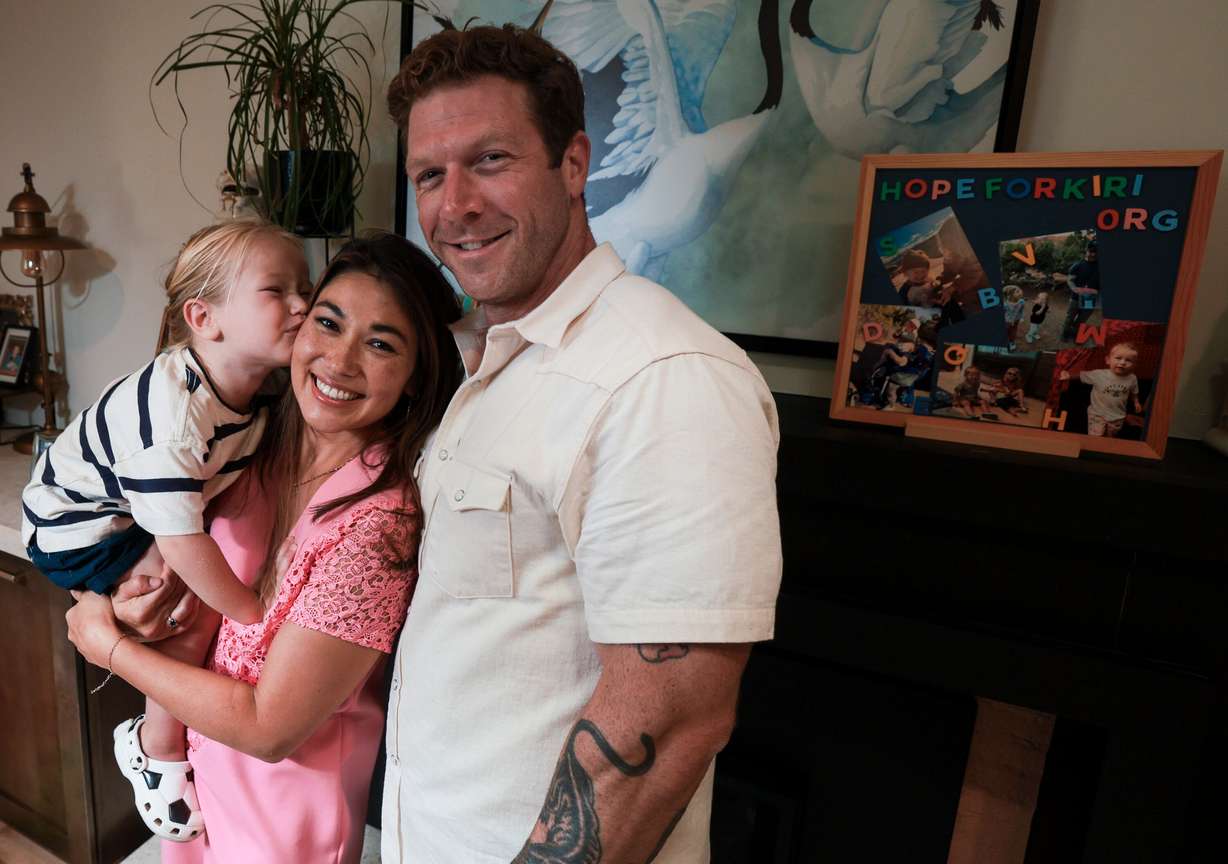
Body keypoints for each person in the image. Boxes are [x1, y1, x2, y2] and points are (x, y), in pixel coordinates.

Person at [383, 23, 782, 862]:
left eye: (490, 160)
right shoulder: (489, 364)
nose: (454, 205)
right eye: (430, 174)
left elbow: (673, 717)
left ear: (573, 164)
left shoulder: (662, 376)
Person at [65, 232, 464, 862]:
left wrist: (107, 645)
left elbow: (270, 727)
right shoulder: (242, 449)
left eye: (381, 344)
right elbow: (136, 534)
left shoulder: (378, 525)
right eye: (327, 324)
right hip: (197, 797)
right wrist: (126, 598)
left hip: (283, 825)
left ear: (415, 379)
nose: (339, 360)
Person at [23, 220, 310, 838]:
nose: (302, 303)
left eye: (305, 286)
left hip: (134, 509)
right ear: (205, 319)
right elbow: (183, 542)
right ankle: (155, 749)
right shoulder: (175, 422)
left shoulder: (254, 388)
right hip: (75, 526)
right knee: (183, 606)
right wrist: (252, 611)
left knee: (191, 591)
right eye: (276, 290)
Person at [1059, 342, 1143, 437]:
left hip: (1117, 416)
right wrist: (1069, 375)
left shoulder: (1132, 378)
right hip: (1097, 414)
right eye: (1118, 358)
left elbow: (1134, 392)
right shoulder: (1099, 374)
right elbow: (1083, 375)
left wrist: (1136, 402)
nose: (1122, 362)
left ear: (1134, 365)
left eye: (1128, 360)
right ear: (1108, 360)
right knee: (1096, 436)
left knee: (1110, 436)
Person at [1059, 242, 1100, 341]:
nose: (1092, 254)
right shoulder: (1077, 265)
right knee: (1070, 317)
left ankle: (1075, 334)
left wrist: (1097, 291)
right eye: (1090, 251)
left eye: (1095, 252)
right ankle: (1064, 334)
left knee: (1082, 320)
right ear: (1086, 251)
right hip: (1075, 298)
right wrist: (1074, 289)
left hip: (1090, 299)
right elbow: (1070, 280)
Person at [1002, 285, 1026, 351]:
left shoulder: (1021, 302)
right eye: (1017, 291)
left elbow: (1021, 310)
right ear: (1010, 295)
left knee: (1013, 331)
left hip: (1016, 320)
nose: (1021, 292)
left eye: (1020, 290)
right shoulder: (1005, 304)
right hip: (1007, 321)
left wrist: (1022, 317)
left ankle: (1011, 342)